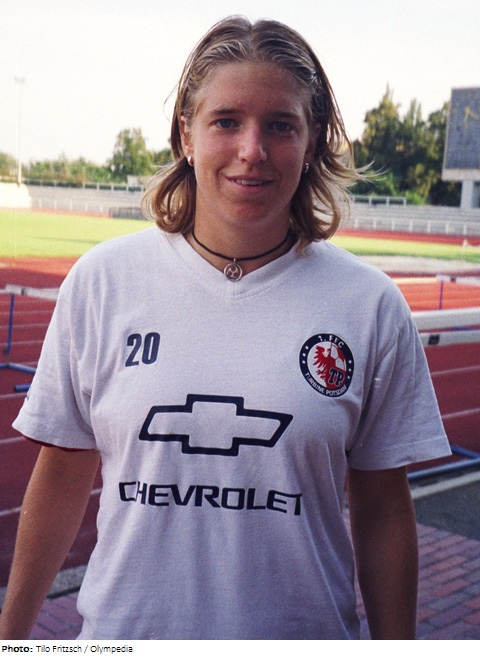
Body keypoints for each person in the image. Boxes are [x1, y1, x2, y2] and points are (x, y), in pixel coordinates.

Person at [0, 16, 450, 641]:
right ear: (186, 133)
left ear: (312, 141)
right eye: (227, 121)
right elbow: (61, 475)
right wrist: (12, 639)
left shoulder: (369, 305)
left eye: (281, 125)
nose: (252, 150)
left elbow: (382, 509)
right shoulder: (103, 282)